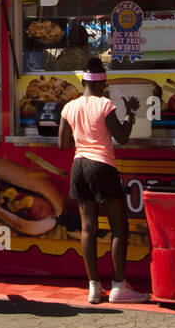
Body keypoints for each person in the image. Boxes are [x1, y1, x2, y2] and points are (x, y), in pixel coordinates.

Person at [59, 58, 149, 305]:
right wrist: (130, 115)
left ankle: (93, 287)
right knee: (119, 228)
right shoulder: (105, 105)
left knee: (88, 228)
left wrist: (82, 137)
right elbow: (121, 137)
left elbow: (62, 143)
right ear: (102, 84)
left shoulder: (69, 107)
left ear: (85, 83)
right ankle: (119, 286)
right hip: (102, 166)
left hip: (78, 166)